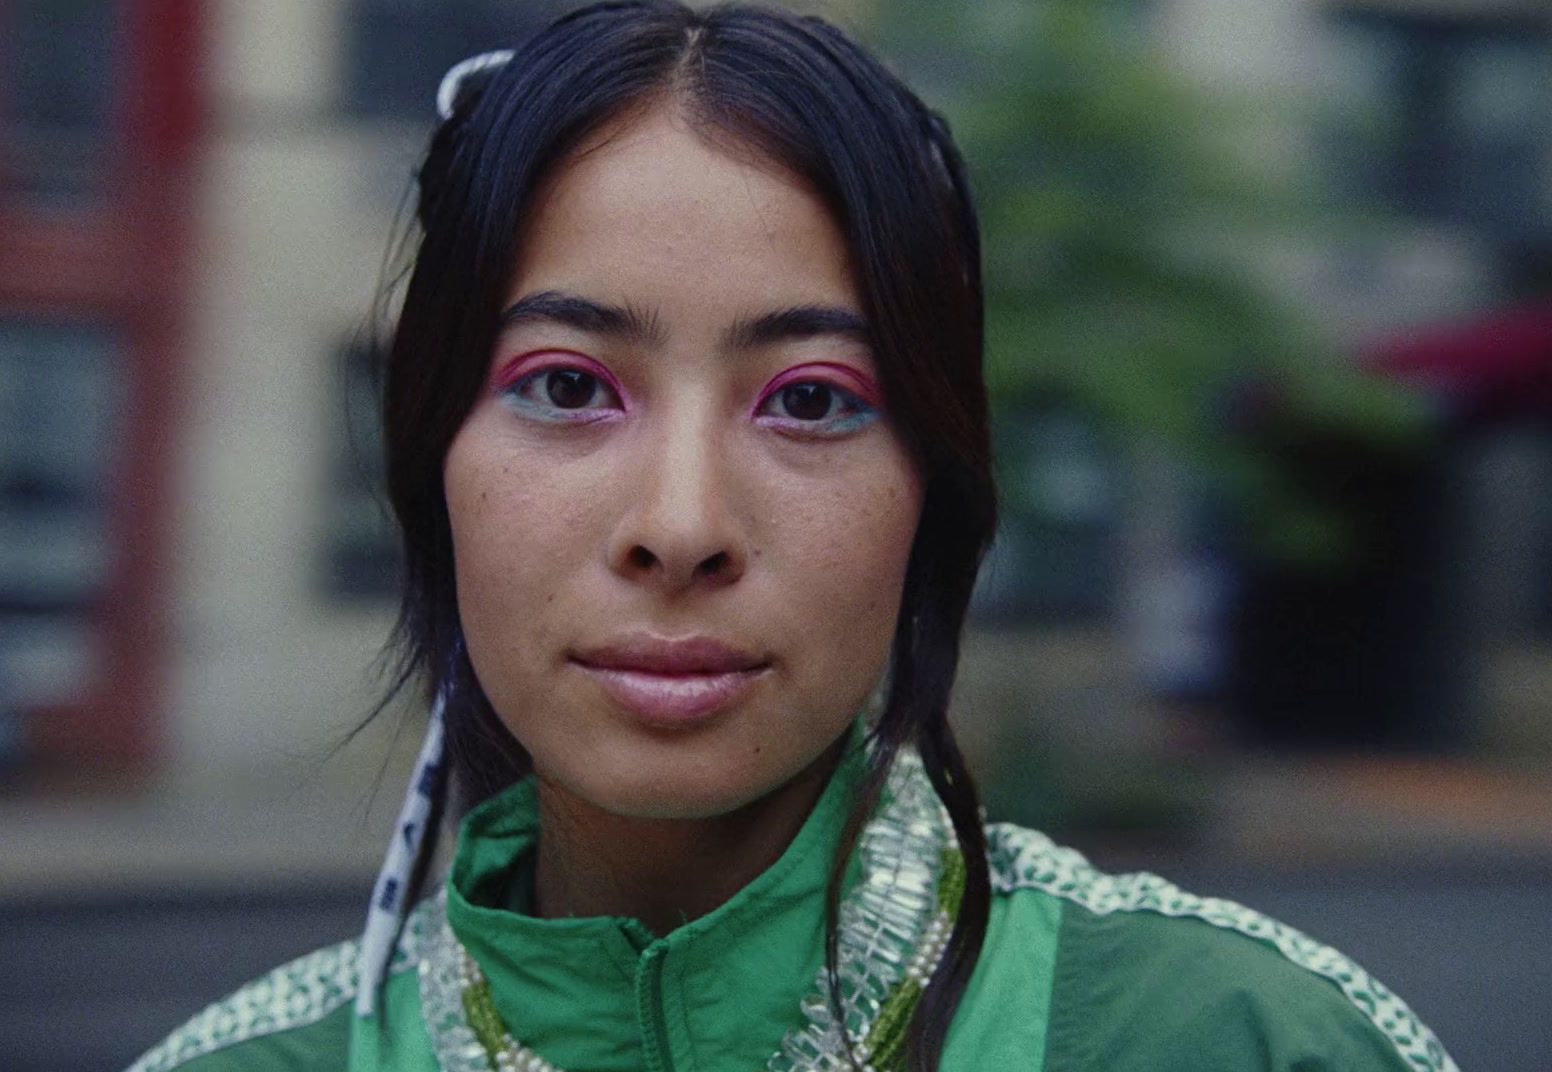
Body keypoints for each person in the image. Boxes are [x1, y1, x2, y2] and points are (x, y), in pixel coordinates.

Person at [127, 3, 1456, 1070]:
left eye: (812, 401)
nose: (682, 526)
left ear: (934, 488)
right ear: (430, 467)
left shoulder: (1245, 1042)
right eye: (567, 385)